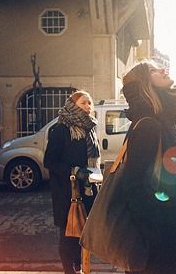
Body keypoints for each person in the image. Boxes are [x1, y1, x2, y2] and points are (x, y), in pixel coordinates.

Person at [120, 60, 176, 274]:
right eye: (154, 70)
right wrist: (158, 236)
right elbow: (135, 188)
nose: (163, 69)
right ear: (145, 85)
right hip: (164, 252)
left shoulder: (165, 121)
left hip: (174, 244)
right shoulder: (149, 126)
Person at [43, 90, 100, 274]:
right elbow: (49, 161)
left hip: (87, 187)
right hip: (67, 190)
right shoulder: (61, 129)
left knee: (84, 231)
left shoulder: (90, 129)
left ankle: (80, 265)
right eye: (83, 103)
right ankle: (69, 269)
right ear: (72, 105)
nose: (88, 107)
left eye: (90, 103)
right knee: (68, 233)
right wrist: (74, 171)